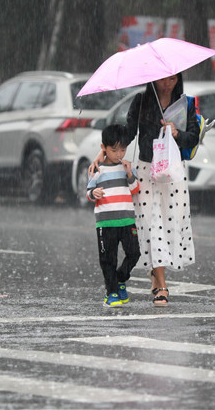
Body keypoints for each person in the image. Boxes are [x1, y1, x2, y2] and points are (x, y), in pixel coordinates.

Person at [94, 74, 200, 306]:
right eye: (163, 79)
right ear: (154, 79)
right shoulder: (141, 101)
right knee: (152, 226)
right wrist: (104, 150)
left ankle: (152, 273)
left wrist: (176, 134)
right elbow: (128, 133)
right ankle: (161, 285)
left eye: (172, 79)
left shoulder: (186, 104)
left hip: (172, 174)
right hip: (146, 171)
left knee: (169, 224)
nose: (167, 83)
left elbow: (193, 138)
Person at [86, 124, 141, 308]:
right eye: (114, 150)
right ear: (104, 148)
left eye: (123, 149)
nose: (119, 154)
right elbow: (88, 192)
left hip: (127, 221)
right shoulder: (97, 169)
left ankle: (119, 279)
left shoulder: (125, 167)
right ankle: (111, 293)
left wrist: (130, 174)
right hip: (106, 222)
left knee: (134, 253)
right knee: (108, 259)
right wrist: (94, 193)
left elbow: (135, 189)